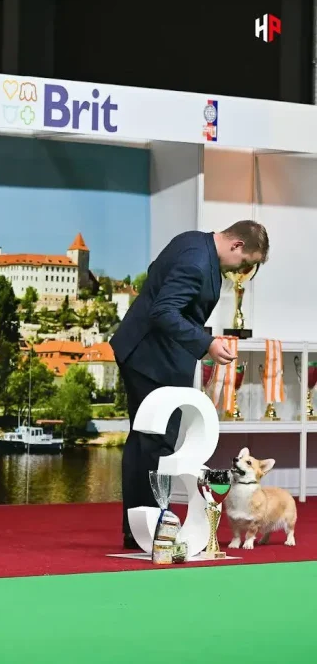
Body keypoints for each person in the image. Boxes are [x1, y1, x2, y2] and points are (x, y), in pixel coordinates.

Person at [109, 220, 269, 548]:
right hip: (151, 358)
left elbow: (156, 275)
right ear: (237, 244)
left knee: (144, 440)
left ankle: (138, 529)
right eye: (244, 262)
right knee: (157, 442)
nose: (240, 270)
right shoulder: (197, 262)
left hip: (145, 352)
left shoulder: (193, 241)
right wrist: (206, 343)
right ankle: (151, 529)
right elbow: (164, 311)